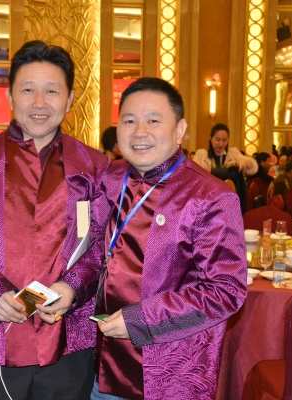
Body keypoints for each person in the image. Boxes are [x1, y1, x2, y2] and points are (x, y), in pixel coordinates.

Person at [0, 40, 110, 400]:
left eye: (52, 91)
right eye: (28, 90)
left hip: (69, 333)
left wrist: (73, 286)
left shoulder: (94, 166)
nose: (40, 103)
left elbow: (105, 243)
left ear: (70, 99)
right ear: (10, 96)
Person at [91, 77, 247, 400]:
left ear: (180, 130)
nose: (139, 132)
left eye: (153, 121)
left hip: (168, 372)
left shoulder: (210, 196)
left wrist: (140, 320)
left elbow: (226, 290)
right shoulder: (111, 178)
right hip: (103, 364)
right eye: (129, 121)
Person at [193, 123, 257, 213]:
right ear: (211, 138)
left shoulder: (233, 153)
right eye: (217, 140)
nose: (221, 143)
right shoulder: (201, 155)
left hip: (230, 201)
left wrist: (244, 162)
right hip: (209, 201)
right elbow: (192, 172)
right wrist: (202, 170)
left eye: (224, 140)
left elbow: (253, 166)